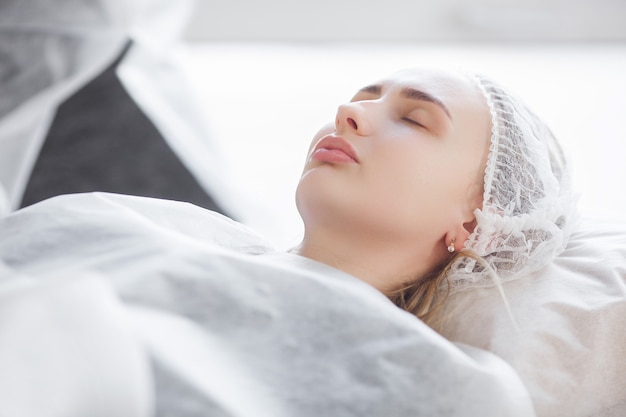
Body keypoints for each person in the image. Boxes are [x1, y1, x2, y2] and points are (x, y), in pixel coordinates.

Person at [294, 67, 576, 327]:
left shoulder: (414, 373)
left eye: (413, 120)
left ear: (474, 225)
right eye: (361, 99)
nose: (347, 111)